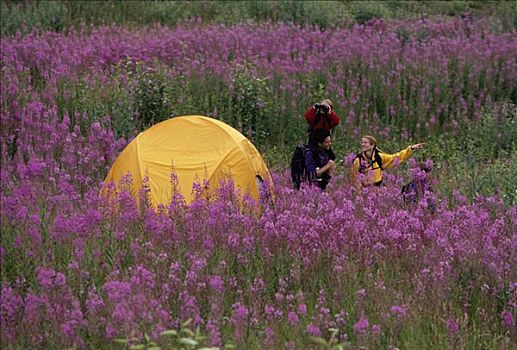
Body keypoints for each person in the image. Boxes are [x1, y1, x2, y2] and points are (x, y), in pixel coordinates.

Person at [349, 135, 425, 187]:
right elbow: (353, 179)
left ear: (372, 145)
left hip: (378, 190)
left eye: (365, 143)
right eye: (362, 142)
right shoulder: (358, 160)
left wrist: (411, 148)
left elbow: (396, 157)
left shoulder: (379, 157)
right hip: (365, 191)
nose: (362, 144)